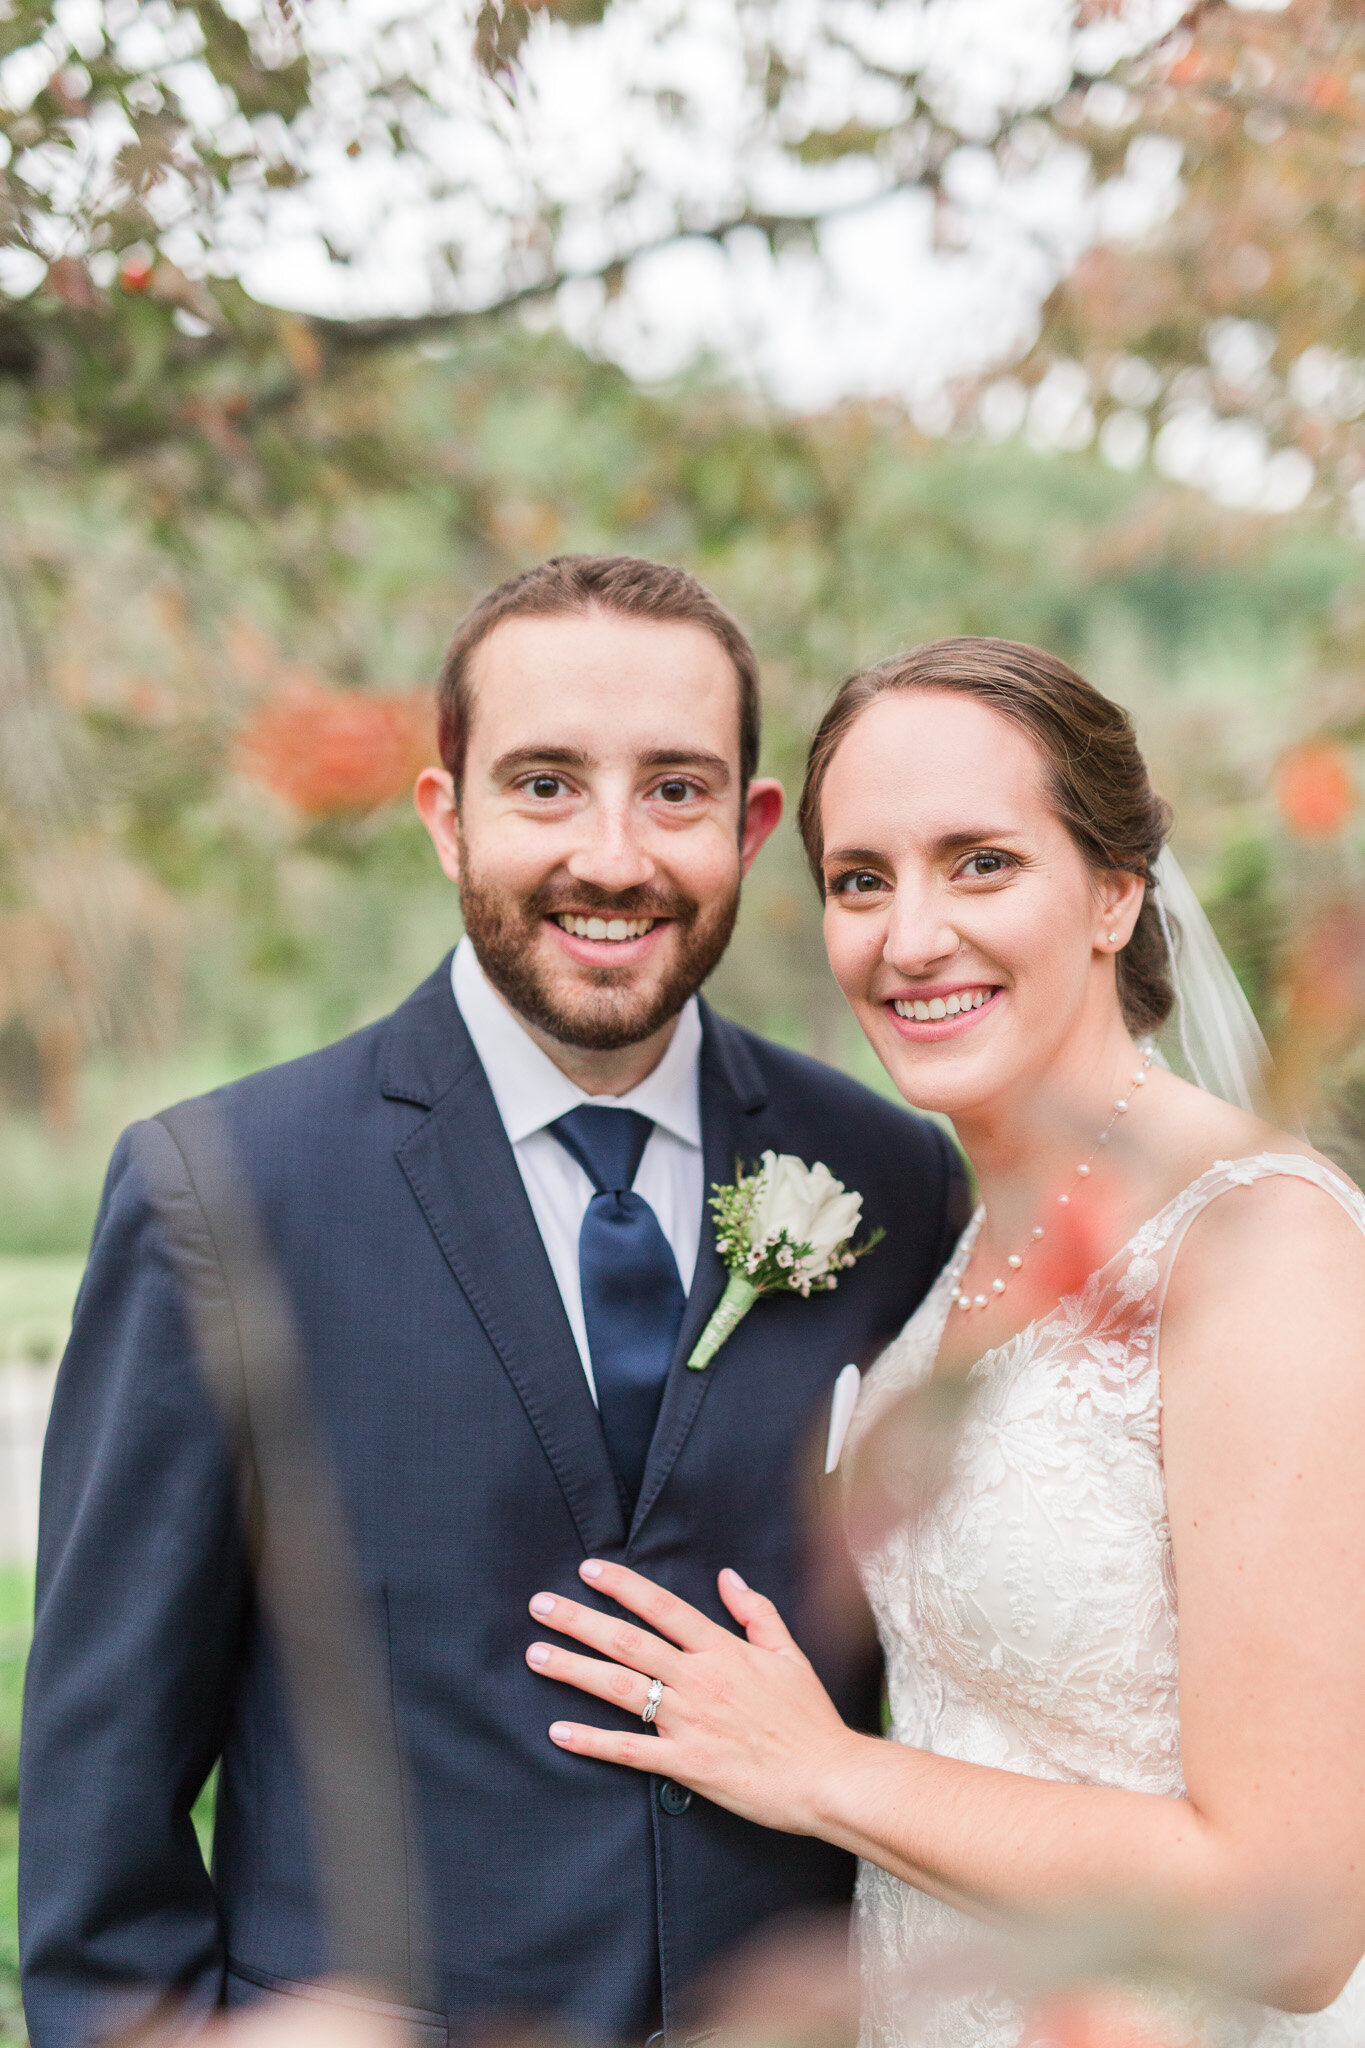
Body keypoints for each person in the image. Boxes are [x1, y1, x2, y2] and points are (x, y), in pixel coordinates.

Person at [18, 557, 966, 2048]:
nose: (611, 854)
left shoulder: (893, 1179)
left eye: (672, 789)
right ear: (444, 814)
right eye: (542, 784)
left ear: (750, 824)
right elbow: (100, 1810)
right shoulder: (219, 1194)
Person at [522, 636, 1365, 2046]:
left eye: (979, 863)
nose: (908, 938)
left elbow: (1291, 1914)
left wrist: (816, 1772)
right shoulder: (964, 1235)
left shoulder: (1258, 1255)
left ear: (1113, 892)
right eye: (861, 880)